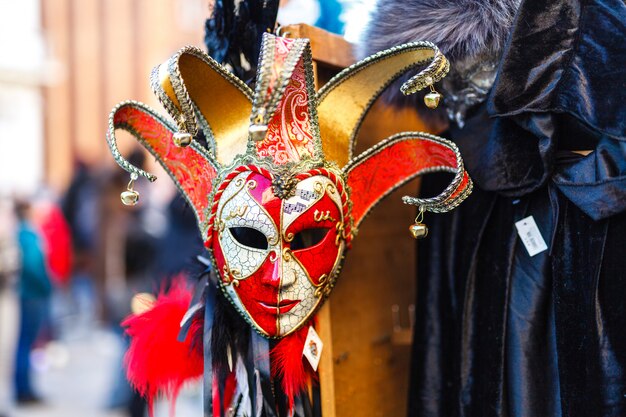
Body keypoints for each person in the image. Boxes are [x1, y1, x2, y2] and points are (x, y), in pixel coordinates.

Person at [13, 199, 52, 404]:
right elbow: (34, 266)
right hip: (32, 294)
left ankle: (24, 387)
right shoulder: (28, 235)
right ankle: (23, 389)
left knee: (25, 342)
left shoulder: (21, 233)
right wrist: (47, 285)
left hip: (28, 293)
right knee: (26, 343)